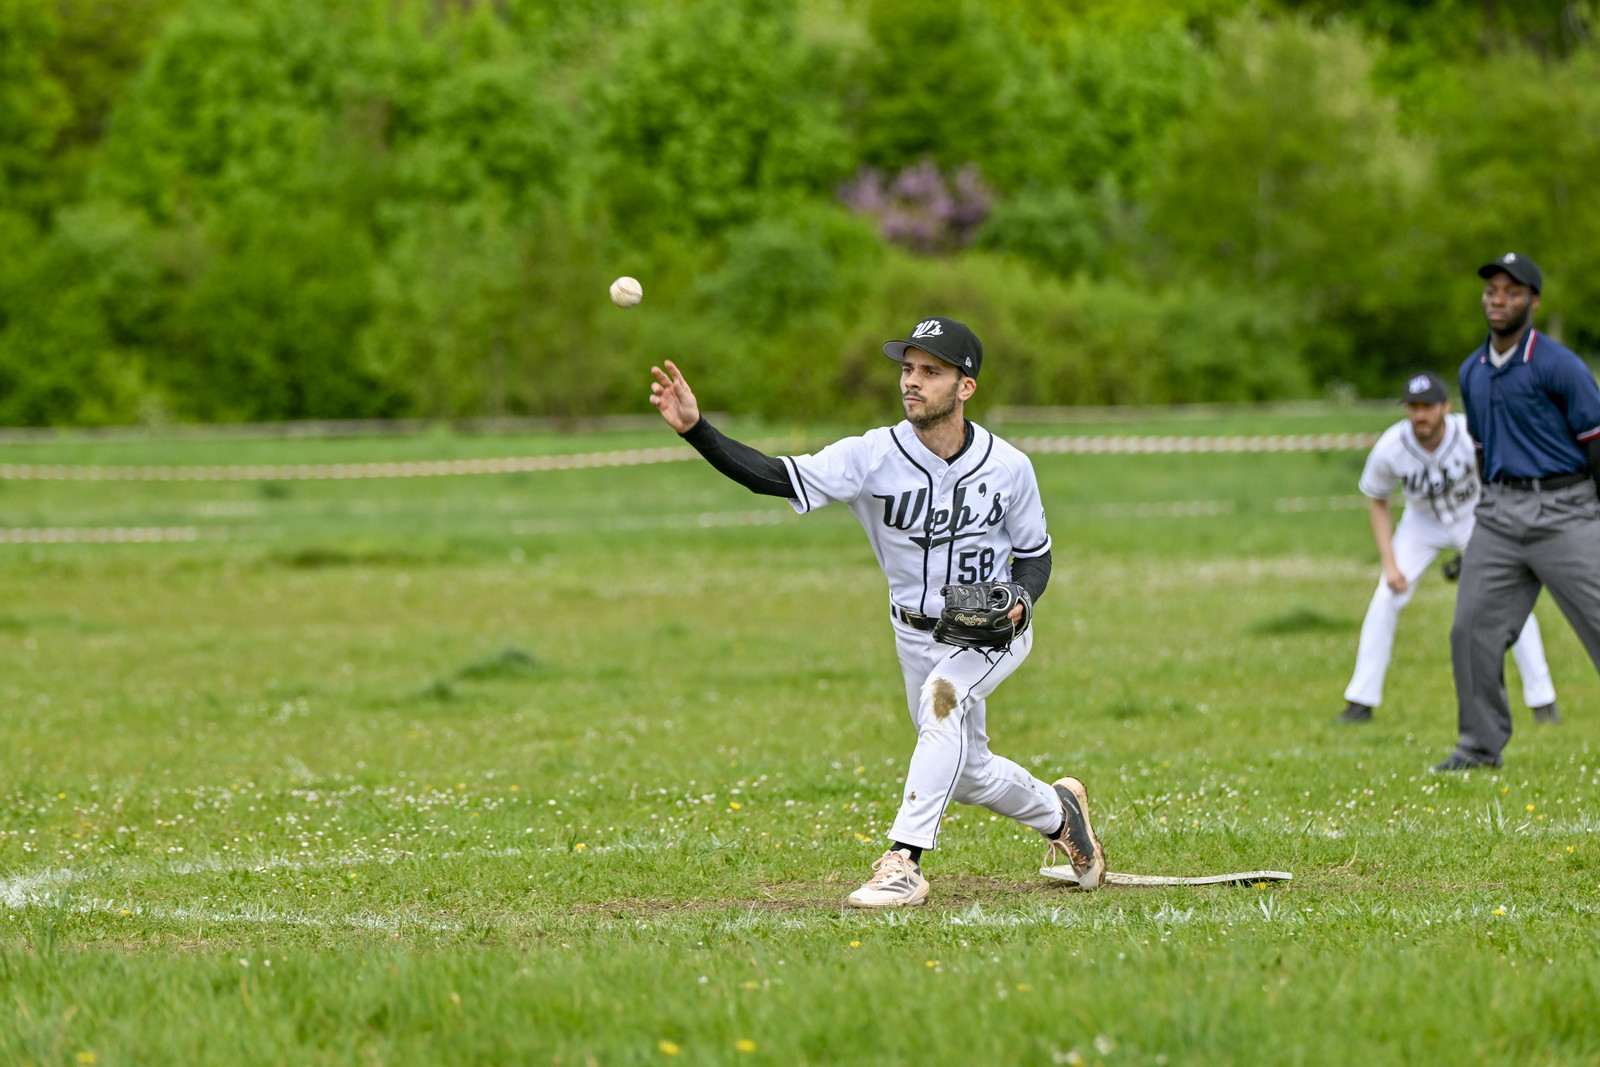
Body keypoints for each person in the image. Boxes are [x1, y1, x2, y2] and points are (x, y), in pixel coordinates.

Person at [647, 316, 1107, 906]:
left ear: (965, 386)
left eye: (931, 372)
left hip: (992, 634)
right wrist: (697, 429)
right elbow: (773, 476)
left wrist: (1020, 601)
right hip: (914, 632)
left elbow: (1035, 559)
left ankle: (904, 861)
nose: (912, 382)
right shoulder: (870, 456)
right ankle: (1059, 812)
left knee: (943, 699)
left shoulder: (1008, 467)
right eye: (908, 369)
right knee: (965, 771)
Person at [1438, 253, 1600, 771]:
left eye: (1511, 291)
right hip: (1501, 515)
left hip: (1566, 511)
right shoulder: (1472, 372)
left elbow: (1596, 444)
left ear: (1533, 300)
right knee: (1470, 630)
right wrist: (1485, 527)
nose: (1498, 300)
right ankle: (1479, 747)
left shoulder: (1560, 366)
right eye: (1491, 292)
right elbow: (1483, 451)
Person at [1337, 371, 1558, 725]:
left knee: (1509, 600)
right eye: (1413, 406)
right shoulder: (1392, 446)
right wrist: (1389, 563)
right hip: (1421, 524)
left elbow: (1504, 481)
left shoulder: (1473, 434)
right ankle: (1360, 702)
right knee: (1386, 598)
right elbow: (1377, 499)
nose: (1419, 415)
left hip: (1476, 517)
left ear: (1446, 407)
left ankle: (1543, 700)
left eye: (1427, 406)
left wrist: (1489, 540)